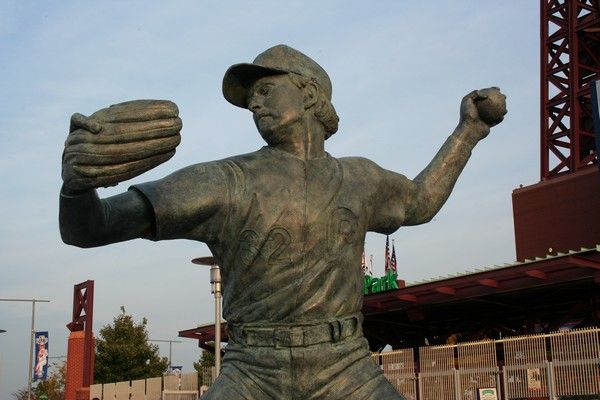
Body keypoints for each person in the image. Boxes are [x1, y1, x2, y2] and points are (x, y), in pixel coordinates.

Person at [60, 45, 506, 399]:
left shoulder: (360, 178)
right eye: (251, 97)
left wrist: (468, 131)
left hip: (345, 367)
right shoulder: (223, 180)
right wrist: (76, 187)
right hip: (252, 372)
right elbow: (90, 229)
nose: (254, 103)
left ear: (309, 93)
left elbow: (420, 202)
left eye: (265, 89)